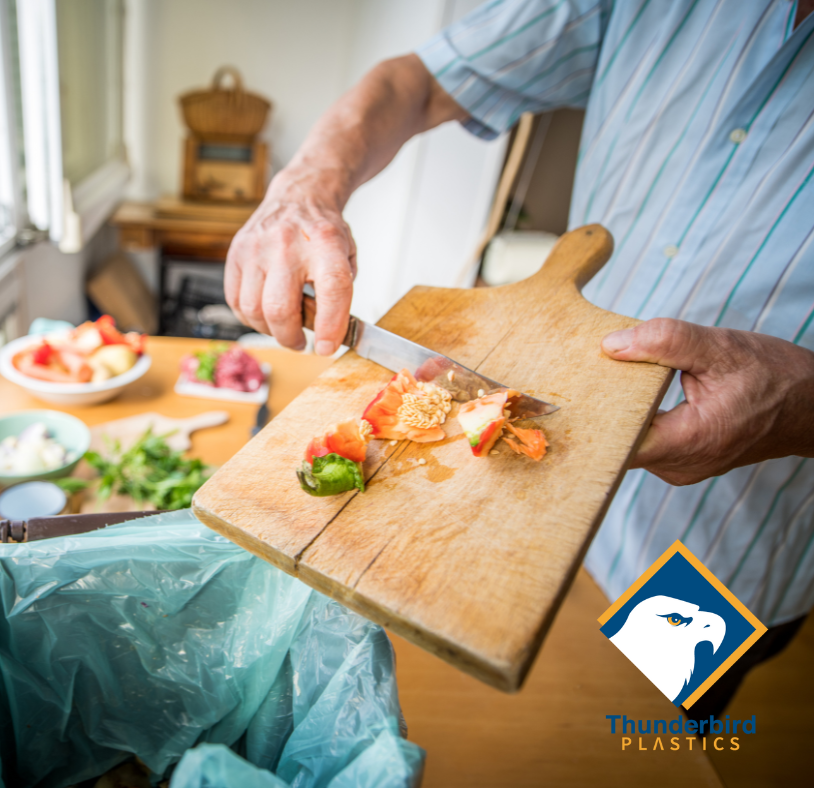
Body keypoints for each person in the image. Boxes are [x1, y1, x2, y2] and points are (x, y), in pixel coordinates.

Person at [226, 0, 814, 717]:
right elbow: (416, 80)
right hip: (515, 510)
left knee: (615, 734)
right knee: (461, 713)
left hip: (705, 553)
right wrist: (300, 188)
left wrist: (800, 403)